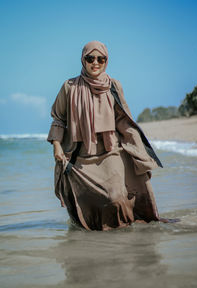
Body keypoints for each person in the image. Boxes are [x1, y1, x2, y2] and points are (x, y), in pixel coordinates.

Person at [47, 41, 174, 231]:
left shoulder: (114, 86)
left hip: (111, 151)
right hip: (81, 155)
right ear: (83, 60)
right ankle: (98, 242)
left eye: (101, 59)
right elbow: (58, 118)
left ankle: (122, 235)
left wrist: (139, 151)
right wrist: (57, 146)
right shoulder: (69, 87)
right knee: (87, 200)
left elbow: (124, 120)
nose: (95, 63)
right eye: (90, 58)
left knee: (115, 197)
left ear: (107, 61)